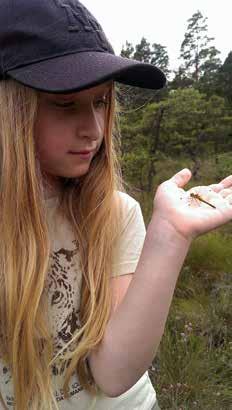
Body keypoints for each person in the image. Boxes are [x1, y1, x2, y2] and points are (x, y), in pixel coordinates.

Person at [0, 1, 231, 410]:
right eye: (65, 103)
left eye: (101, 102)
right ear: (11, 110)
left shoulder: (114, 213)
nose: (93, 129)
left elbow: (114, 373)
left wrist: (170, 235)